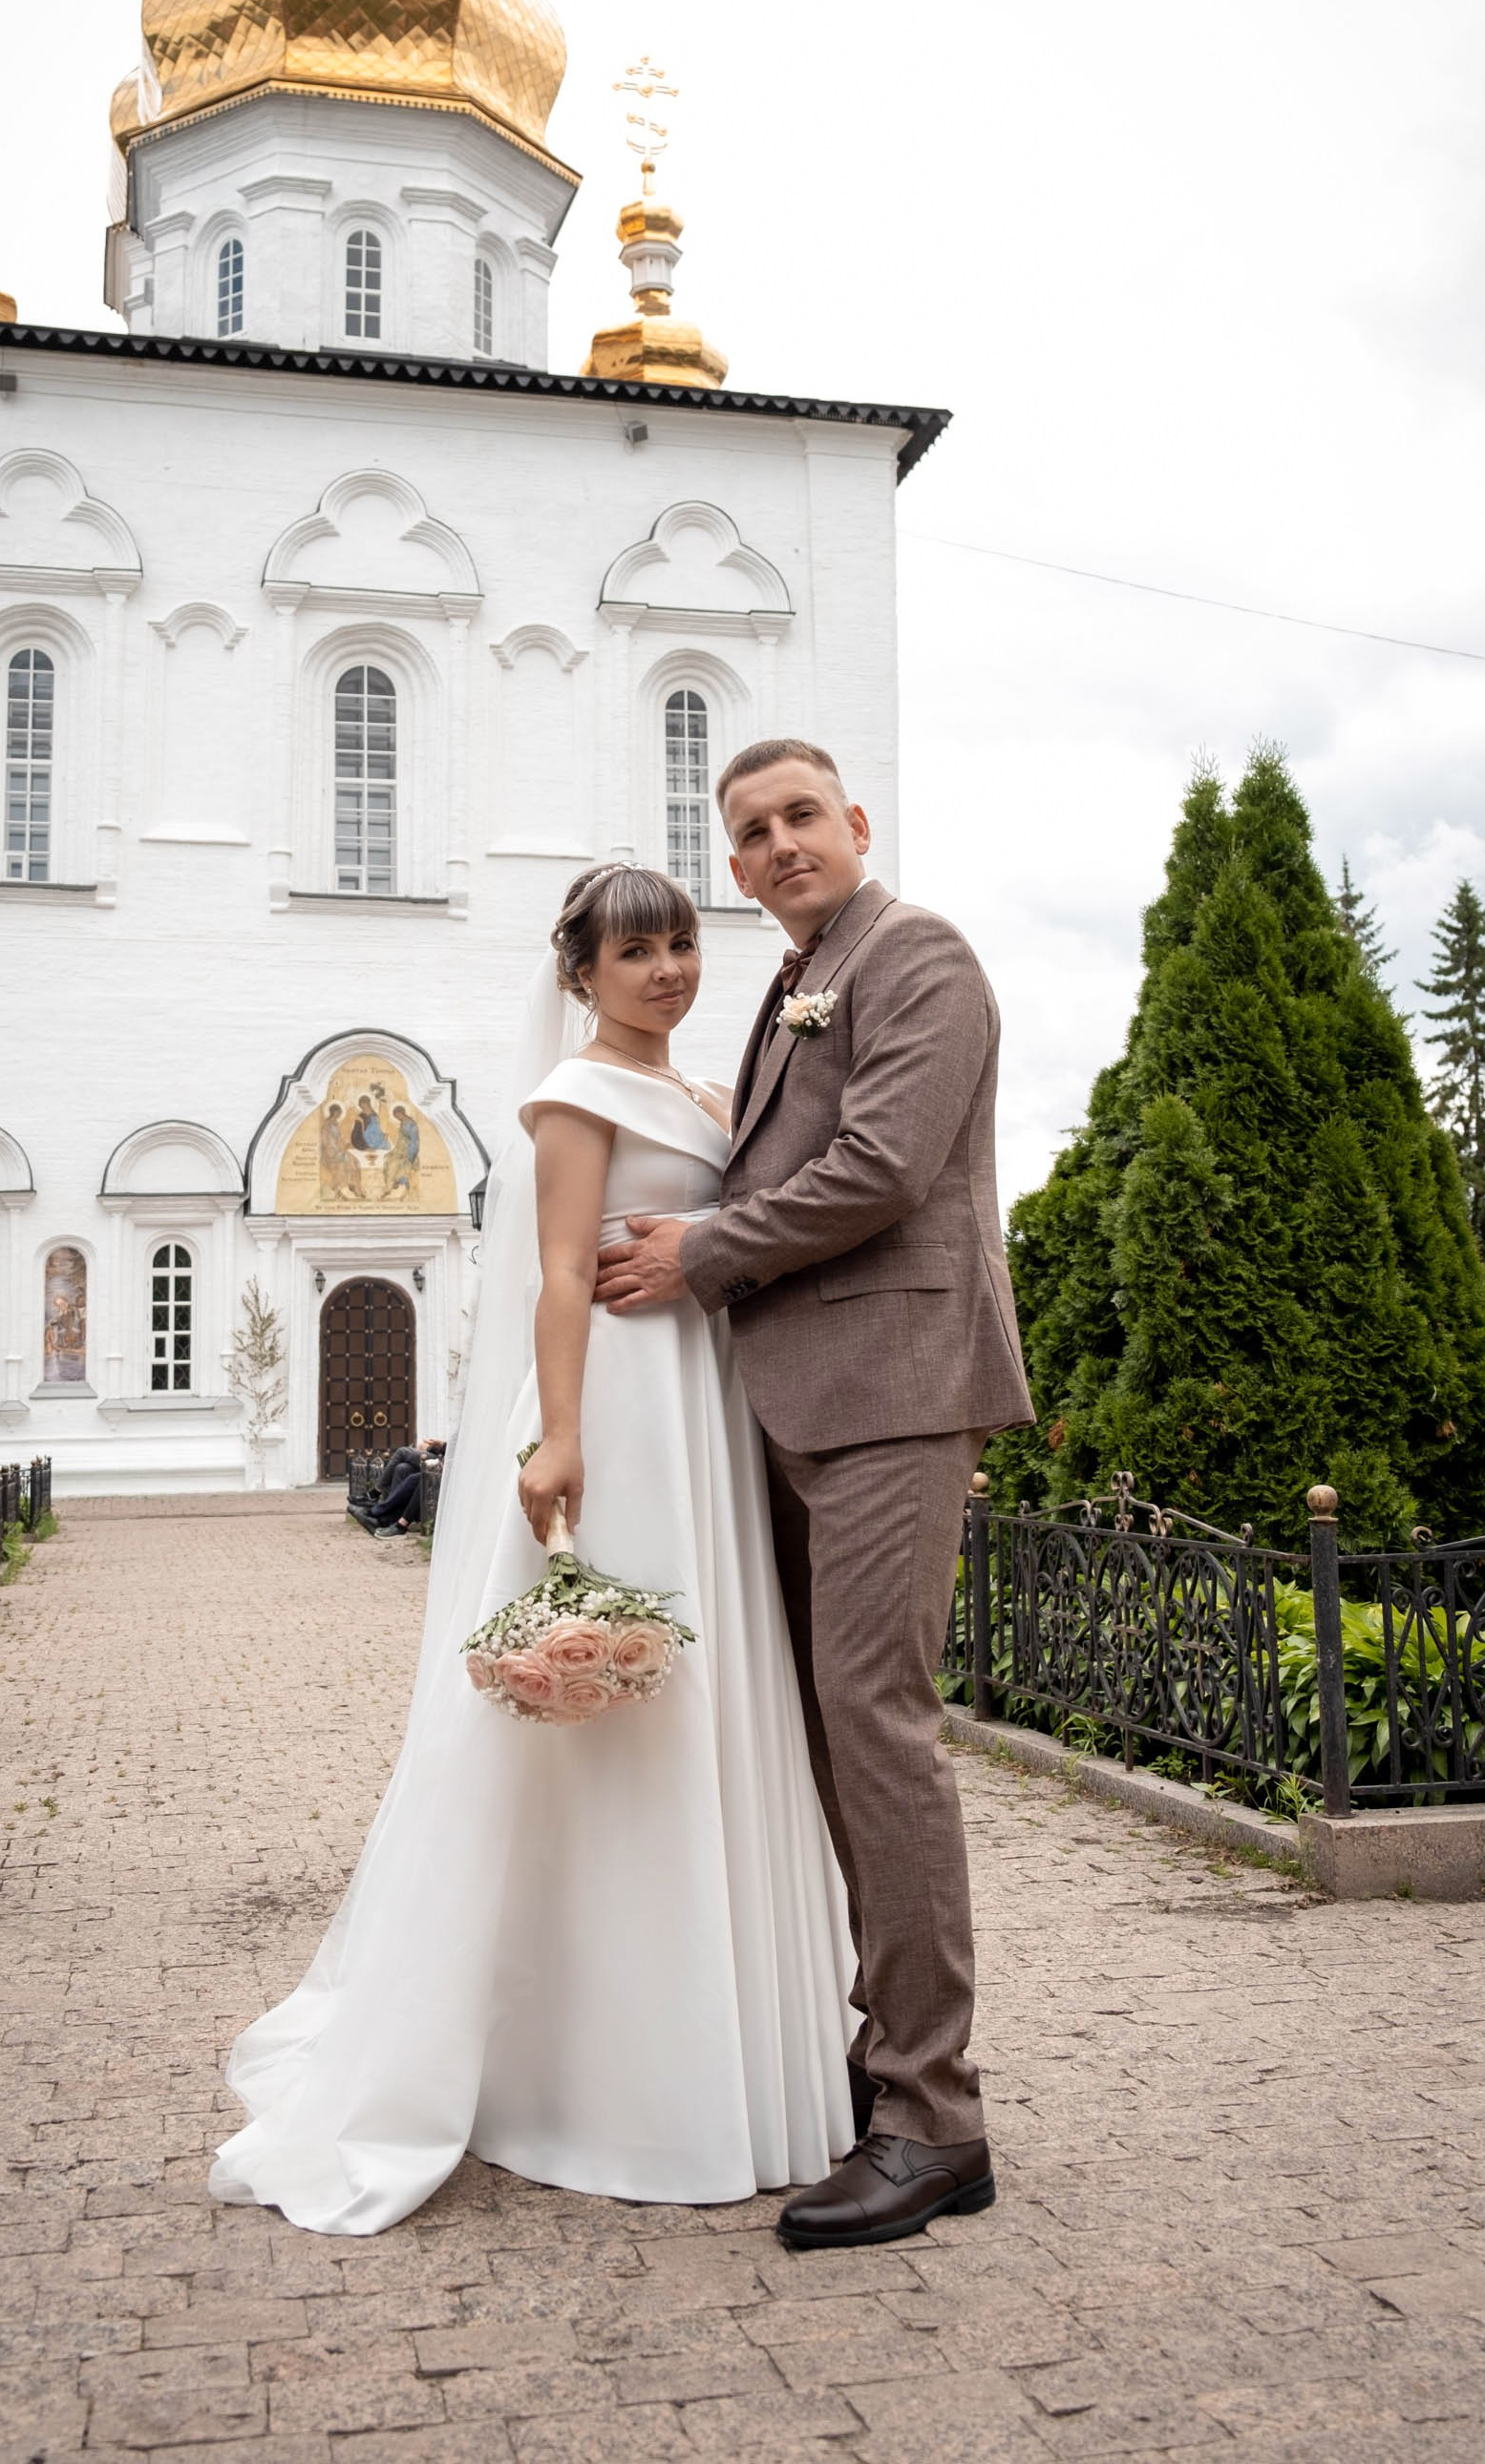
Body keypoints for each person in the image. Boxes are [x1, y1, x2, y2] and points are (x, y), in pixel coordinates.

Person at [210, 864, 853, 2235]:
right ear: (581, 976)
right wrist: (556, 1439)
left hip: (708, 1411)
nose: (668, 970)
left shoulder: (711, 1099)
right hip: (622, 1410)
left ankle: (732, 2043)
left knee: (711, 1694)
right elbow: (561, 1271)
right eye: (635, 953)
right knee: (615, 1711)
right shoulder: (577, 1100)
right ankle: (592, 2069)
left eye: (681, 944)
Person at [594, 739, 1031, 2249]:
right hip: (792, 1400)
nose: (780, 844)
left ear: (856, 824)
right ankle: (880, 2062)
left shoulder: (920, 957)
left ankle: (933, 2119)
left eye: (801, 819)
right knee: (828, 1745)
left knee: (881, 1736)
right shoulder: (795, 983)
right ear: (733, 863)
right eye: (750, 831)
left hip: (898, 1392)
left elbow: (885, 1168)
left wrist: (694, 1257)